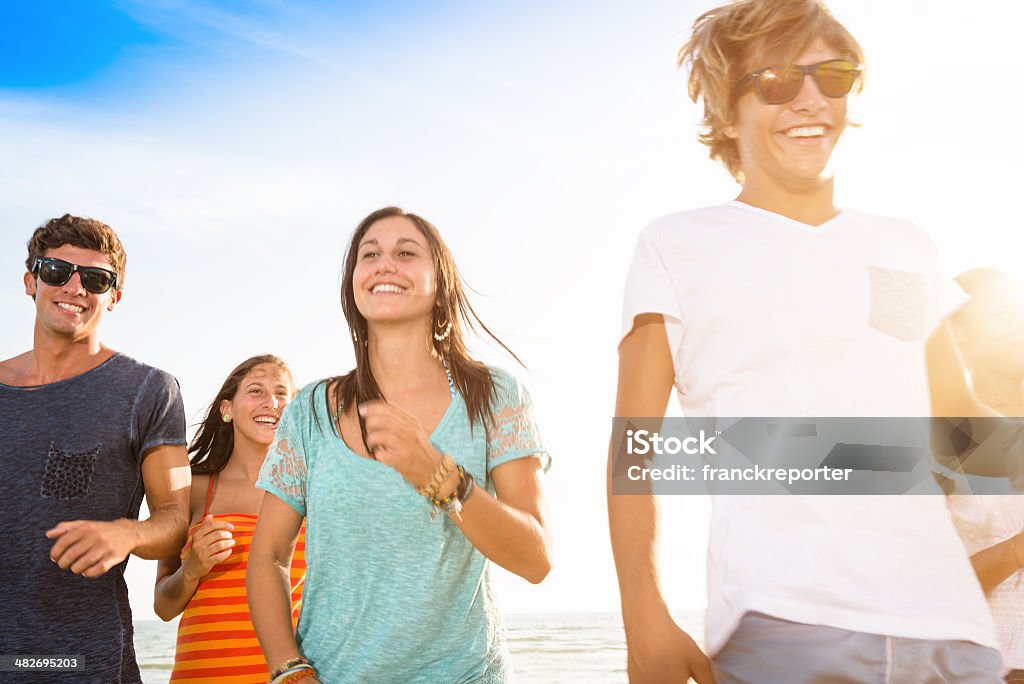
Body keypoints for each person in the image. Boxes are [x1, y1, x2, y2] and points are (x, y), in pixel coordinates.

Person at [607, 1, 1001, 682]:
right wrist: (644, 617)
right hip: (781, 622)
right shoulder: (678, 246)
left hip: (951, 630)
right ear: (728, 113)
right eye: (779, 80)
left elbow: (957, 431)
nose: (811, 98)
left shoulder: (903, 247)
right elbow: (636, 448)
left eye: (835, 75)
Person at [248, 207, 552, 684]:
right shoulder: (309, 410)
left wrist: (440, 477)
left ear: (440, 283)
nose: (385, 264)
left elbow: (535, 558)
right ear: (354, 283)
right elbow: (268, 558)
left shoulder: (496, 397)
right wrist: (289, 669)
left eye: (406, 253)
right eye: (370, 254)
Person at [0, 214, 190, 683]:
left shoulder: (150, 391)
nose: (74, 287)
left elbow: (175, 519)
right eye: (56, 271)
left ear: (114, 297)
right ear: (31, 281)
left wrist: (126, 533)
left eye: (95, 279)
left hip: (85, 662)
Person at [154, 354, 305, 683]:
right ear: (227, 410)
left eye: (282, 394)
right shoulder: (193, 489)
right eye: (255, 391)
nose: (271, 403)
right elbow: (163, 607)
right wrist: (192, 568)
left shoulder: (313, 491)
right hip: (202, 674)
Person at [945, 268, 1024, 682]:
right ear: (955, 333)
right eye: (1001, 314)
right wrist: (1015, 551)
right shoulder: (942, 439)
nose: (1019, 325)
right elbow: (921, 587)